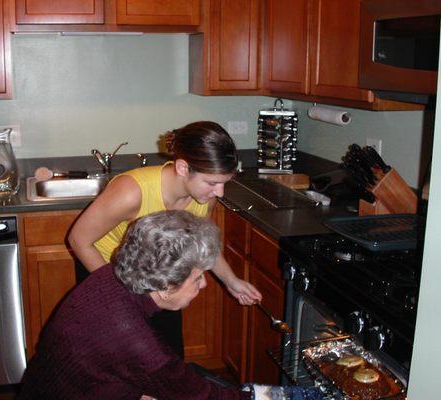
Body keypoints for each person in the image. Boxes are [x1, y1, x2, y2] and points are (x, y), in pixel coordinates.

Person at [18, 211, 322, 400]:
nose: (204, 285)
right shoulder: (137, 342)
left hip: (53, 385)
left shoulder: (111, 276)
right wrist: (281, 396)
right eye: (197, 279)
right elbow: (201, 396)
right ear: (165, 287)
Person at [68, 121, 262, 356]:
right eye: (212, 183)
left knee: (167, 353)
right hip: (105, 269)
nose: (219, 193)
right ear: (183, 168)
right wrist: (120, 296)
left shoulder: (204, 196)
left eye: (224, 183)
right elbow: (79, 240)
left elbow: (204, 246)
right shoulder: (132, 191)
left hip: (159, 273)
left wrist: (231, 281)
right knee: (120, 360)